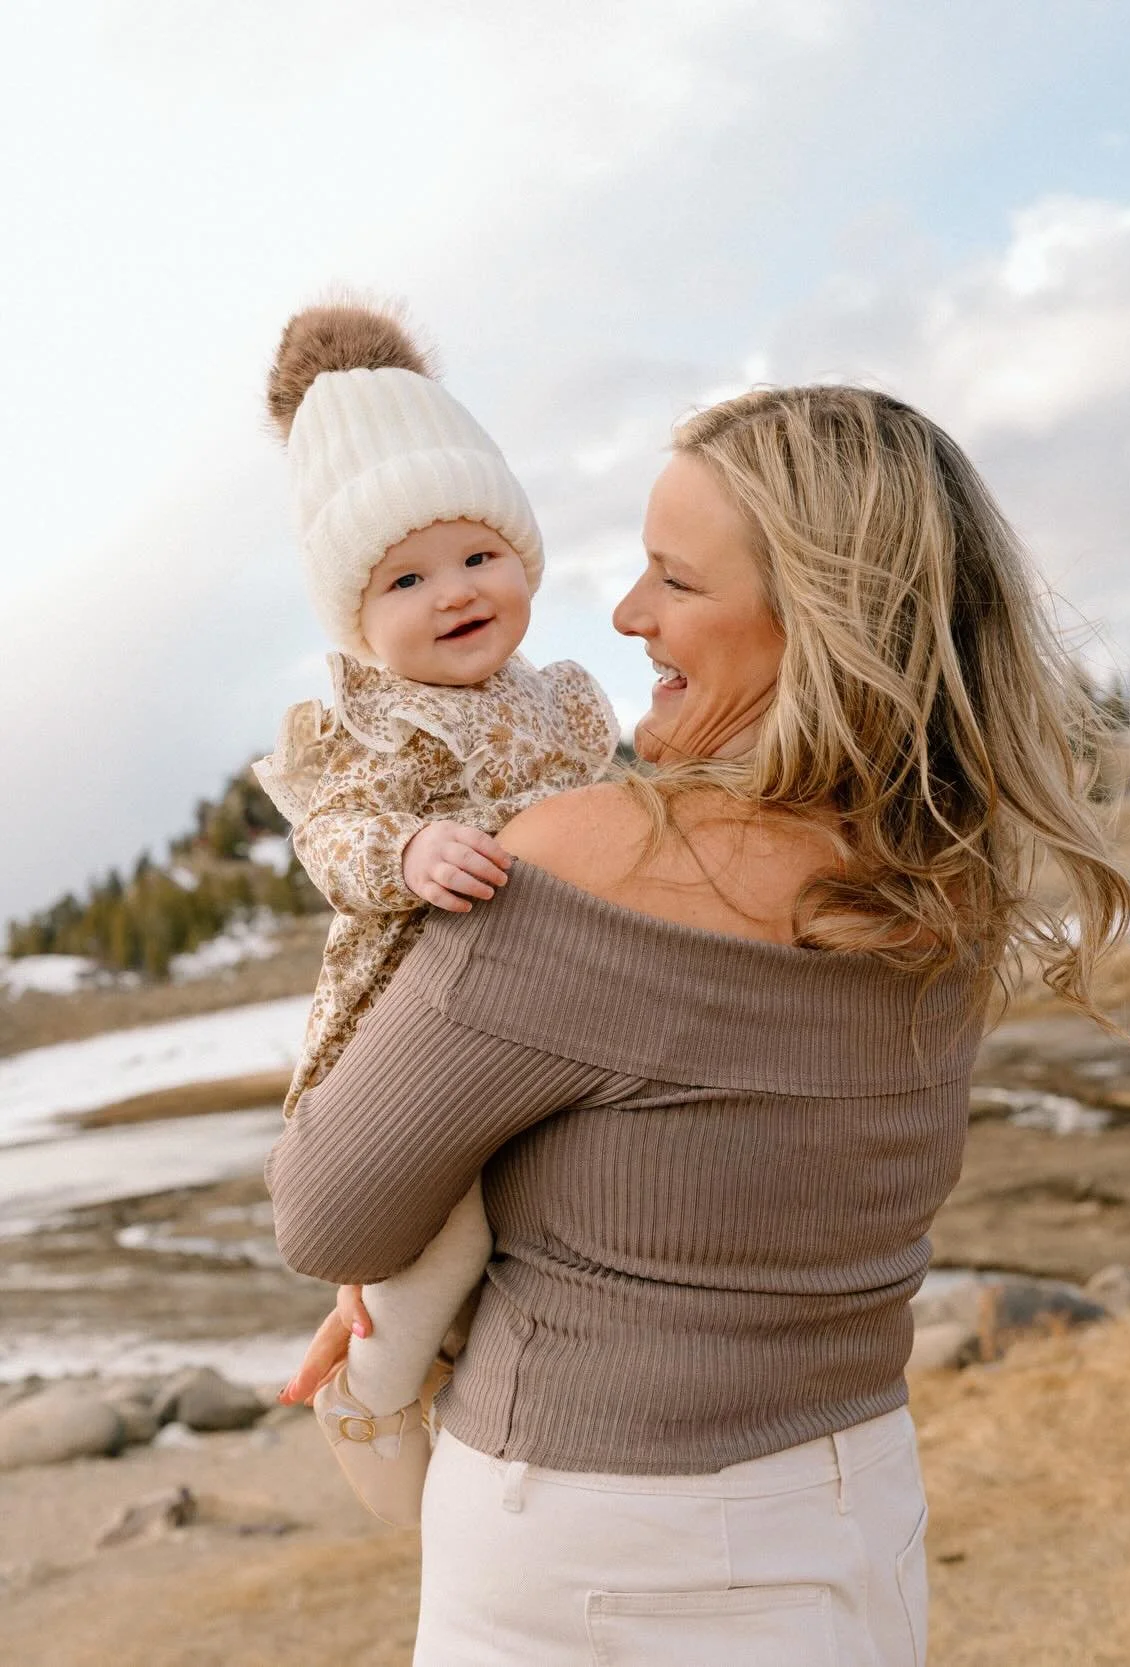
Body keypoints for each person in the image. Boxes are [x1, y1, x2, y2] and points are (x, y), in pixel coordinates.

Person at [268, 384, 1130, 1664]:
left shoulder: (588, 857)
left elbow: (327, 1214)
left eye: (675, 579)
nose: (626, 613)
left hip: (605, 1543)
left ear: (818, 620)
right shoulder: (942, 879)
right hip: (861, 1498)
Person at [254, 302, 617, 1526]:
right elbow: (330, 839)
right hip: (411, 1005)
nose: (455, 593)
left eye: (479, 557)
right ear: (358, 622)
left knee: (538, 1204)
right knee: (444, 1230)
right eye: (406, 579)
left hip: (553, 999)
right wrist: (408, 849)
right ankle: (371, 1389)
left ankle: (467, 1383)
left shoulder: (561, 702)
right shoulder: (371, 724)